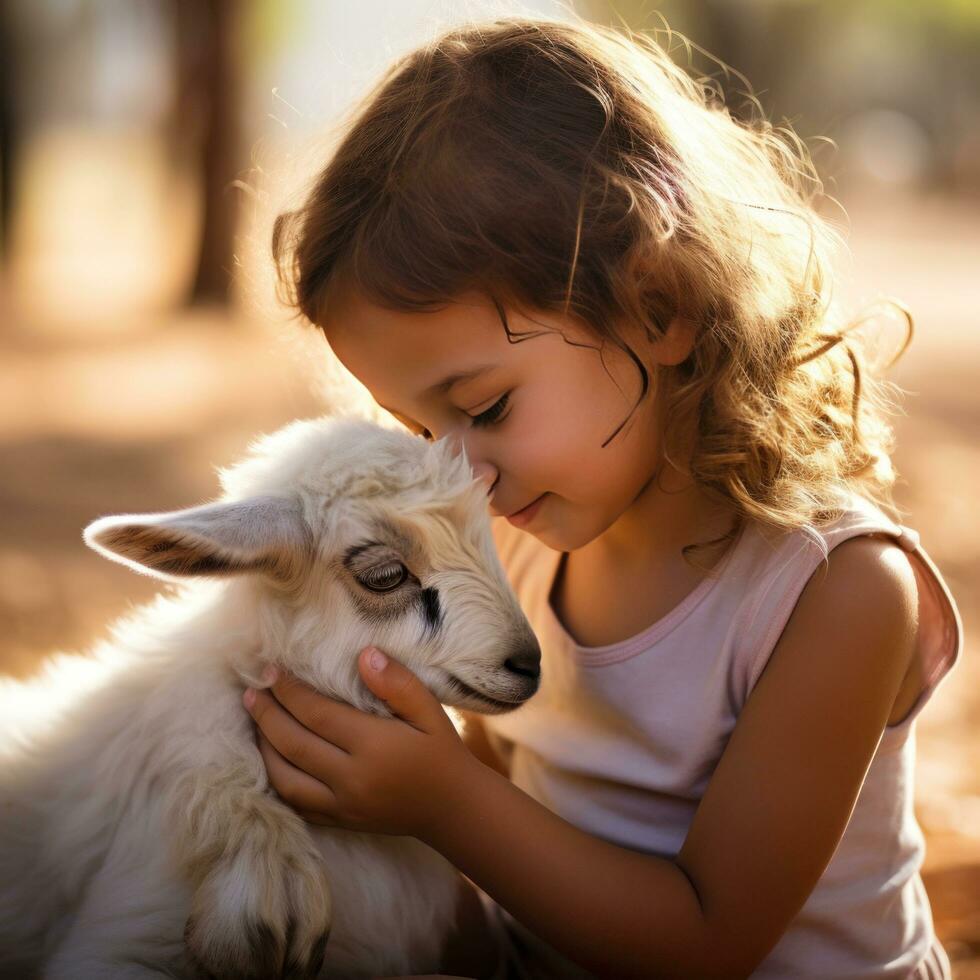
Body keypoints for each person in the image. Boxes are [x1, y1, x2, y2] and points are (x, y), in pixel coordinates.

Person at [241, 15, 963, 979]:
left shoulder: (835, 593)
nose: (461, 476)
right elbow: (517, 829)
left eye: (486, 407)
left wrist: (441, 801)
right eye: (421, 433)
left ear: (659, 306)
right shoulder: (521, 541)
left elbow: (708, 941)